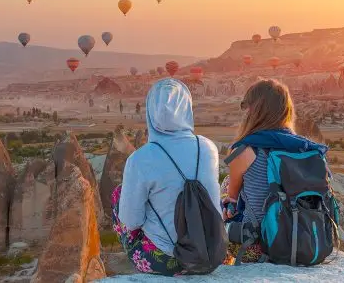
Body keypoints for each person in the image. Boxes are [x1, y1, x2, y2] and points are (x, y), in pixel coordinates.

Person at [111, 79, 221, 276]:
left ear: (150, 113)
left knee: (119, 195)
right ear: (187, 108)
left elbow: (131, 221)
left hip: (166, 260)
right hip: (211, 252)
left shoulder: (140, 159)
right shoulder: (208, 148)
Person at [221, 78, 327, 264]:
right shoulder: (307, 149)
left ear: (254, 110)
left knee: (225, 185)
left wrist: (226, 205)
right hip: (308, 242)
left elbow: (232, 201)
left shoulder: (243, 150)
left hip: (257, 246)